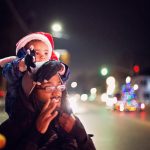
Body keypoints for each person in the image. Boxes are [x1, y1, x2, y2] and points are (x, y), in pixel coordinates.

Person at [0, 60, 96, 150]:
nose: (57, 93)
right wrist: (35, 134)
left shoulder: (69, 122)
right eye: (48, 87)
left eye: (59, 86)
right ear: (31, 92)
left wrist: (82, 137)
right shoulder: (10, 129)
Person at [0, 32, 62, 118]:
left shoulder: (49, 67)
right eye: (37, 53)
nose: (42, 56)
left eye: (46, 53)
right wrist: (22, 65)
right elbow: (8, 73)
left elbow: (63, 76)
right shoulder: (19, 65)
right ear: (25, 53)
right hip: (21, 112)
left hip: (48, 109)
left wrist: (61, 68)